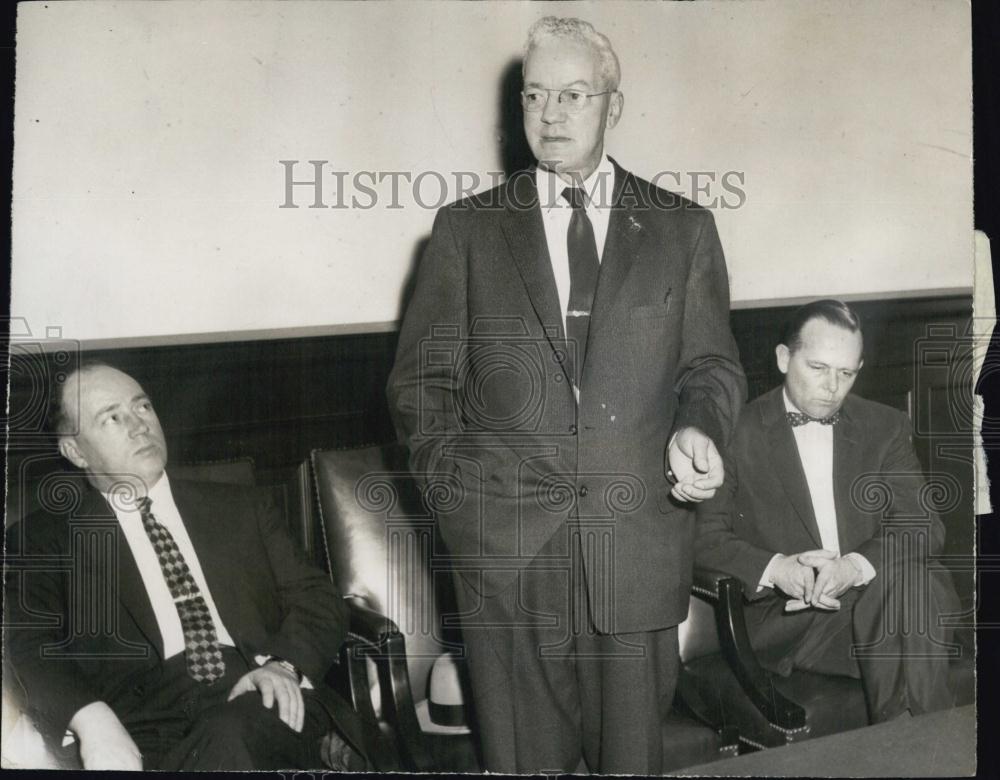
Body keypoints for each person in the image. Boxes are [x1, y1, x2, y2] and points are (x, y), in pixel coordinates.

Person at [387, 16, 746, 774]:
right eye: (535, 95)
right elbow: (421, 385)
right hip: (507, 553)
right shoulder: (466, 231)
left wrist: (700, 429)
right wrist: (463, 503)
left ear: (614, 105)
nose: (549, 115)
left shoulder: (684, 229)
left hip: (636, 542)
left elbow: (710, 367)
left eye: (574, 94)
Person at [3, 362, 371, 770]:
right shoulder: (41, 539)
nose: (138, 425)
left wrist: (283, 665)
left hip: (258, 694)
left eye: (142, 407)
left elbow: (318, 597)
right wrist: (92, 720)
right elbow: (29, 646)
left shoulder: (239, 507)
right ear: (75, 451)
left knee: (230, 733)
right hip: (139, 724)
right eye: (112, 417)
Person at [695, 299, 963, 722]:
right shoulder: (734, 433)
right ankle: (932, 750)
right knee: (912, 620)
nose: (832, 387)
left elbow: (924, 525)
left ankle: (908, 749)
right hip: (800, 624)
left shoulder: (885, 426)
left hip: (893, 599)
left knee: (910, 588)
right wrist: (778, 568)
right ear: (784, 358)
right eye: (817, 368)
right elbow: (702, 538)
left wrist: (855, 567)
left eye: (846, 373)